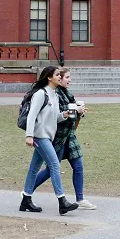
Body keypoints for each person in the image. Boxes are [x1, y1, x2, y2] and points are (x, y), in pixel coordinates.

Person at [19, 65, 80, 215]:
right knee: (54, 165)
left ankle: (26, 199)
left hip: (48, 136)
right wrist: (29, 135)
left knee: (34, 168)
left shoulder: (54, 95)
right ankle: (62, 201)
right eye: (57, 75)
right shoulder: (41, 93)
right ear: (49, 77)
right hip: (40, 136)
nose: (60, 77)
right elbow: (32, 115)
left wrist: (65, 114)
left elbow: (55, 117)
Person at [33, 68, 95, 210]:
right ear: (59, 79)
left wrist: (79, 113)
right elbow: (57, 115)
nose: (69, 80)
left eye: (69, 77)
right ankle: (28, 191)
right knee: (51, 169)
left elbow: (72, 116)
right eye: (67, 77)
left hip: (70, 136)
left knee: (78, 166)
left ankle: (80, 199)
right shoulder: (55, 94)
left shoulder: (68, 93)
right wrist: (74, 111)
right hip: (58, 137)